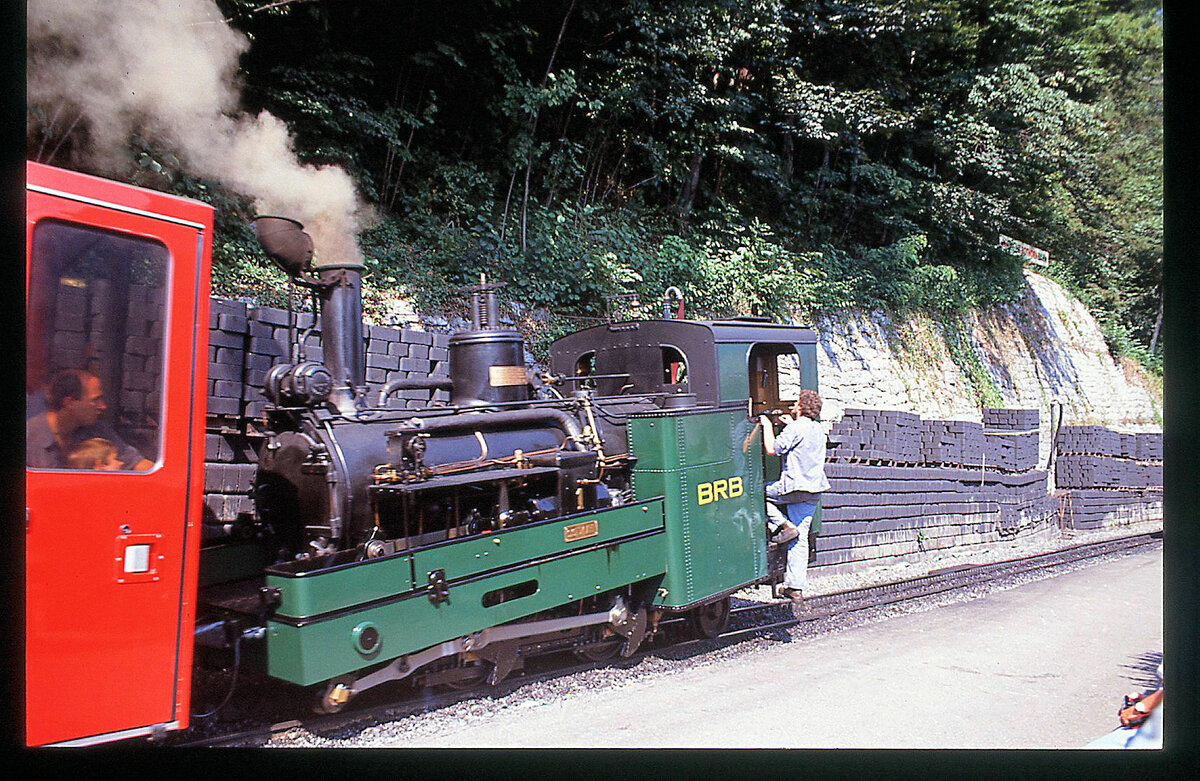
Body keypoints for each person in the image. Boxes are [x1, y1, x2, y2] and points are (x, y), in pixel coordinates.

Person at [760, 389, 830, 606]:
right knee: (800, 540)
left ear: (800, 406)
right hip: (813, 490)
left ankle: (781, 524)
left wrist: (766, 425)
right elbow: (802, 438)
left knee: (756, 495)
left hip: (791, 488)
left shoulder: (796, 428)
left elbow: (772, 449)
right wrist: (790, 424)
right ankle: (795, 587)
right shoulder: (819, 429)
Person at [26, 369, 152, 471]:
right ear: (69, 403)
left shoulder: (97, 429)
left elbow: (136, 463)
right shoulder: (29, 437)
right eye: (95, 400)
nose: (103, 406)